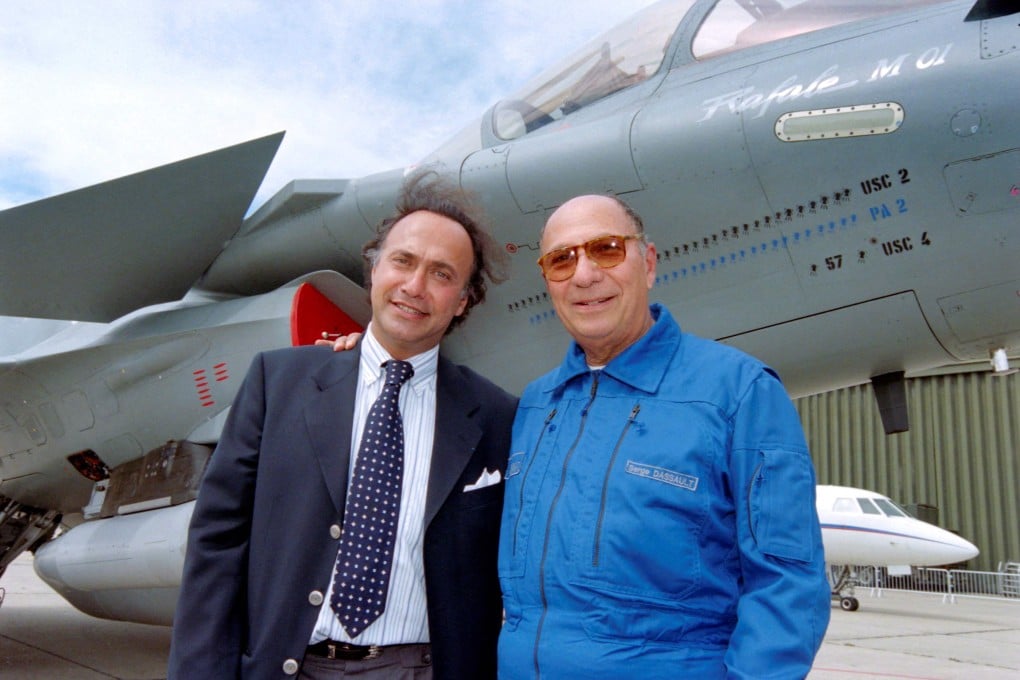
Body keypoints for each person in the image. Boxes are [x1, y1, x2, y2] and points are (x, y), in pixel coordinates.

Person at [167, 170, 517, 680]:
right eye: (403, 261)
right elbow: (217, 544)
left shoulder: (496, 416)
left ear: (463, 300)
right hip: (288, 666)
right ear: (373, 269)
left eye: (442, 274)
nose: (415, 286)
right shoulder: (277, 383)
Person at [496, 195, 831, 679]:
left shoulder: (739, 392)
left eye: (606, 249)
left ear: (648, 263)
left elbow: (787, 587)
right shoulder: (535, 405)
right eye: (561, 260)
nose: (584, 275)